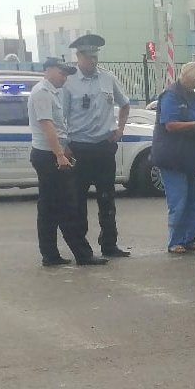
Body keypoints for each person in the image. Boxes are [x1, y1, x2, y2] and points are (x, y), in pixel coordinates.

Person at [27, 58, 107, 267]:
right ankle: (82, 254)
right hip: (49, 155)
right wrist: (60, 155)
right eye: (62, 73)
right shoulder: (42, 93)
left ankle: (50, 254)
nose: (65, 78)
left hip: (48, 153)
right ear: (49, 70)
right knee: (66, 207)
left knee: (49, 208)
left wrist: (65, 148)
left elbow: (58, 127)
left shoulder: (51, 92)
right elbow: (47, 126)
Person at [62, 34, 132, 258]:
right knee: (77, 201)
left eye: (95, 56)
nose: (93, 61)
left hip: (103, 147)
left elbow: (125, 104)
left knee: (107, 198)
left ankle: (109, 244)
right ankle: (83, 250)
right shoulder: (68, 82)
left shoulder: (107, 78)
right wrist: (65, 145)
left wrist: (120, 129)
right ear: (78, 56)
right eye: (88, 57)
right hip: (79, 148)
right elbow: (60, 117)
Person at [152, 62, 195, 254]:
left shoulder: (192, 96)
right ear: (185, 76)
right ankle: (175, 241)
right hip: (173, 157)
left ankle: (189, 239)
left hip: (191, 157)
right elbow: (170, 124)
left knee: (194, 200)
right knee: (178, 201)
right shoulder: (170, 95)